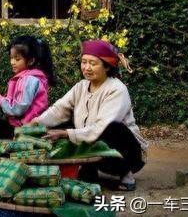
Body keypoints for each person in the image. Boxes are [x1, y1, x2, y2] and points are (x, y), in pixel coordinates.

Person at [31, 39, 148, 191]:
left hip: (125, 151)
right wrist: (35, 123)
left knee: (112, 128)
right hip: (92, 144)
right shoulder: (81, 86)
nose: (86, 68)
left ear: (107, 66)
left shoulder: (117, 89)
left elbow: (101, 127)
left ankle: (126, 173)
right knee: (59, 123)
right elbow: (59, 109)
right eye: (84, 62)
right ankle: (88, 167)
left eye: (93, 63)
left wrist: (65, 133)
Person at [0, 35, 55, 139]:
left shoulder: (30, 80)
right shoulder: (23, 77)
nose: (12, 62)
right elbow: (11, 105)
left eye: (17, 59)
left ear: (31, 61)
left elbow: (18, 110)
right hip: (17, 126)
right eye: (11, 58)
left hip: (25, 130)